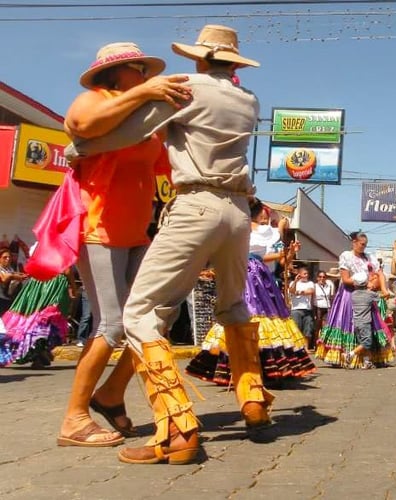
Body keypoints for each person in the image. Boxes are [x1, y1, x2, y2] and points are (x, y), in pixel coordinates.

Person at [67, 24, 272, 465]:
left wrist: (81, 148)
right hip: (238, 212)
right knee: (234, 307)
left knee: (138, 314)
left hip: (196, 205)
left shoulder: (187, 86)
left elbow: (128, 135)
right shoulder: (248, 99)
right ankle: (253, 402)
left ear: (200, 57)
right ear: (234, 62)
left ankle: (177, 429)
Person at [52, 41, 187, 448]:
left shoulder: (142, 119)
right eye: (137, 69)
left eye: (146, 71)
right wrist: (145, 93)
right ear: (115, 73)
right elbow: (84, 127)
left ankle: (110, 395)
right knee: (111, 326)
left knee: (160, 313)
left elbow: (167, 163)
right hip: (99, 231)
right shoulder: (93, 101)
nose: (145, 75)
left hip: (136, 233)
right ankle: (73, 420)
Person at [186, 198, 315, 384]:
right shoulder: (261, 230)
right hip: (252, 273)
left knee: (242, 313)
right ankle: (255, 364)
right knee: (256, 313)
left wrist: (289, 251)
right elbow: (274, 238)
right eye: (264, 214)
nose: (266, 218)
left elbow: (271, 257)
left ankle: (243, 364)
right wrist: (282, 226)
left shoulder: (241, 228)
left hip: (245, 269)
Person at [314, 232, 394, 369]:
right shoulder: (346, 256)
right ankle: (349, 356)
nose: (364, 247)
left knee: (370, 324)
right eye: (362, 244)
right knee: (349, 323)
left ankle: (365, 358)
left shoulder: (369, 258)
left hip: (365, 294)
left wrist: (384, 289)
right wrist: (363, 283)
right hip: (348, 295)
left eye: (365, 245)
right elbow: (345, 279)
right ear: (354, 242)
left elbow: (380, 273)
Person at [289, 267, 315, 347]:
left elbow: (310, 291)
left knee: (308, 329)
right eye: (304, 274)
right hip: (296, 309)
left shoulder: (310, 283)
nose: (306, 275)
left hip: (307, 309)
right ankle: (296, 347)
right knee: (296, 329)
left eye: (307, 274)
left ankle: (306, 347)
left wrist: (299, 292)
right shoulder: (293, 283)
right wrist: (296, 281)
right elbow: (291, 290)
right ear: (299, 274)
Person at [313, 269, 335, 349]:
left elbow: (332, 297)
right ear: (317, 278)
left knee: (325, 327)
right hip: (318, 307)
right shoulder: (314, 286)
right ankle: (316, 345)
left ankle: (323, 345)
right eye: (320, 277)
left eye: (324, 277)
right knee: (317, 327)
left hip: (327, 307)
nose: (322, 278)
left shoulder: (329, 285)